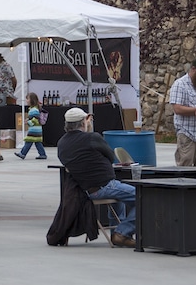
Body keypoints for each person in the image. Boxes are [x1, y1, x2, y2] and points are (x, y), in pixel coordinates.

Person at [57, 107, 137, 248]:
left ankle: (118, 231)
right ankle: (122, 233)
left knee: (119, 195)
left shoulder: (62, 143)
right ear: (83, 122)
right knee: (145, 198)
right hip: (104, 186)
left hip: (86, 189)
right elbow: (111, 156)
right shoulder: (92, 138)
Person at [15, 93, 48, 160]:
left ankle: (23, 153)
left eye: (27, 99)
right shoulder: (35, 109)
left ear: (32, 100)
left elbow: (35, 120)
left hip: (33, 129)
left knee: (28, 141)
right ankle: (42, 154)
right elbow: (34, 118)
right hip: (38, 129)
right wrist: (28, 119)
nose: (26, 100)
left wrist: (28, 122)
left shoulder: (33, 110)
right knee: (37, 142)